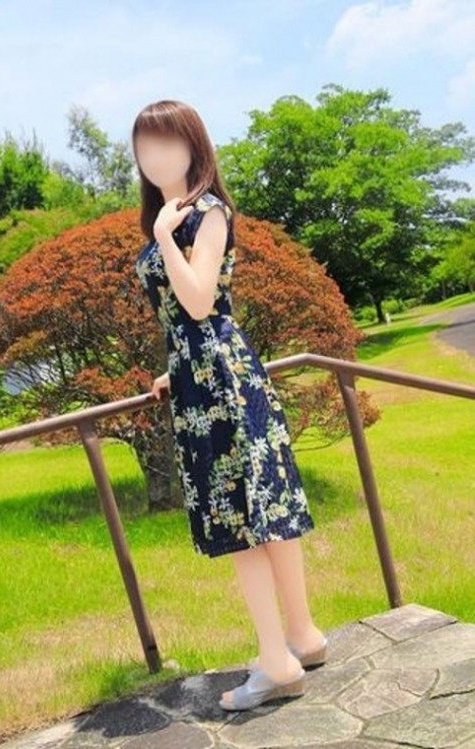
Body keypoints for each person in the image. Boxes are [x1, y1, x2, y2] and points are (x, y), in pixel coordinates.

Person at [132, 99, 327, 711]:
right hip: (205, 375)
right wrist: (174, 369)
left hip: (219, 383)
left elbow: (199, 302)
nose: (154, 156)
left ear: (194, 146)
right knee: (262, 511)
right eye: (144, 145)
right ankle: (302, 637)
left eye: (166, 142)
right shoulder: (175, 217)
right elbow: (191, 321)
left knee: (243, 520)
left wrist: (164, 238)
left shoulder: (206, 213)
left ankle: (277, 663)